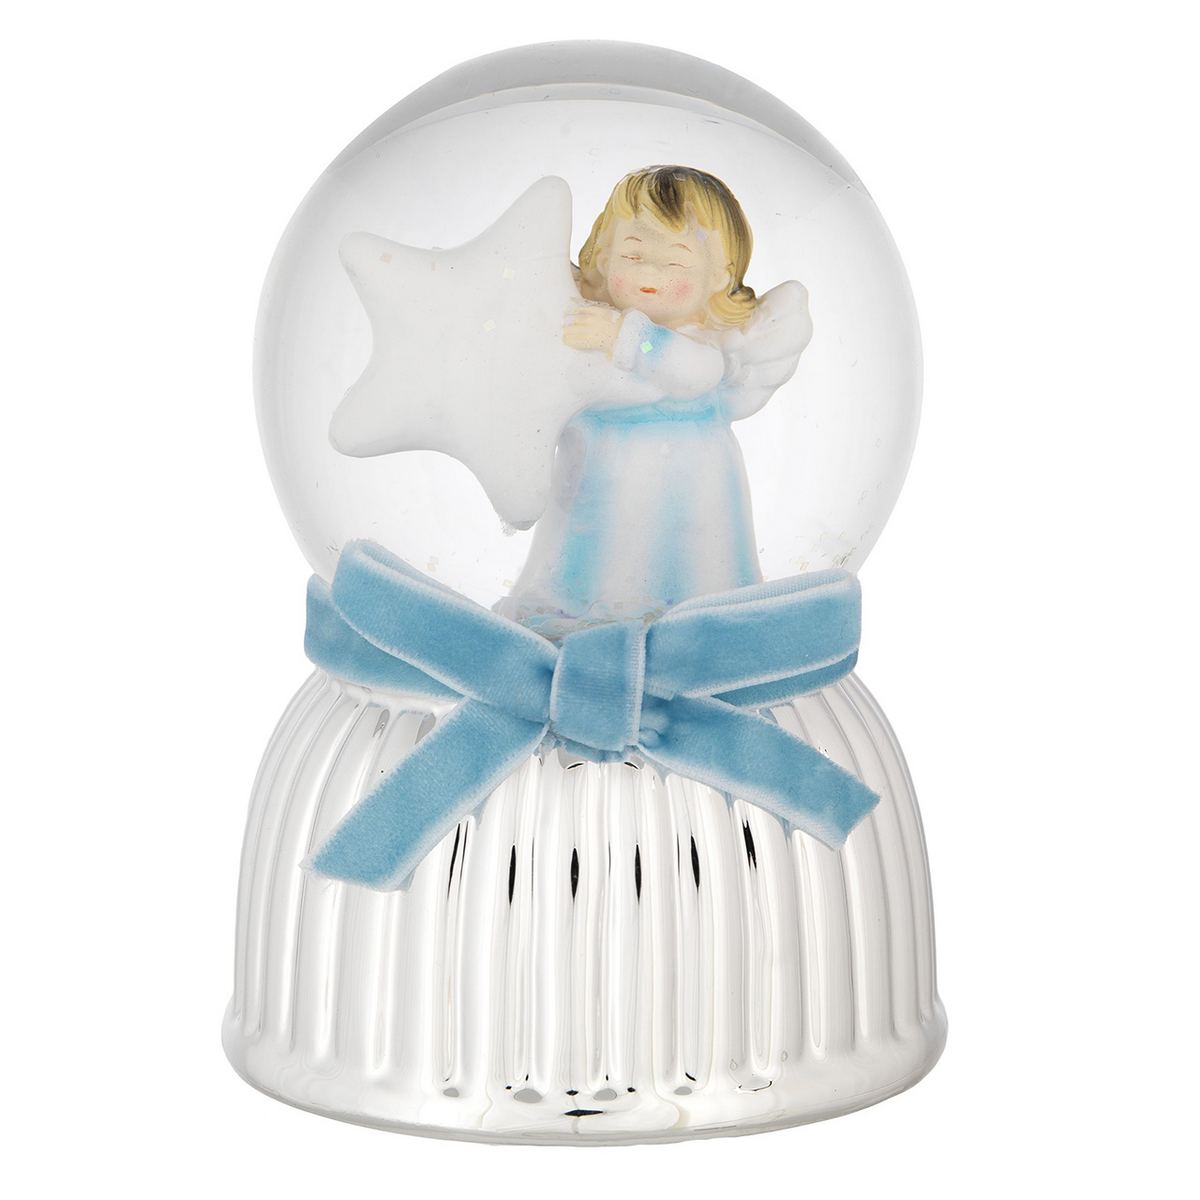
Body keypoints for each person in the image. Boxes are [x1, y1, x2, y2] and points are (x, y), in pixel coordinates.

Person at [500, 165, 813, 635]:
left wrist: (626, 336)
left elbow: (696, 372)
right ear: (604, 257)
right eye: (633, 254)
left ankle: (691, 619)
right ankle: (577, 613)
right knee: (590, 550)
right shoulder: (591, 329)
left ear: (718, 277)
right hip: (596, 469)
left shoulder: (699, 343)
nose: (649, 273)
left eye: (676, 263)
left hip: (685, 473)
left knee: (684, 552)